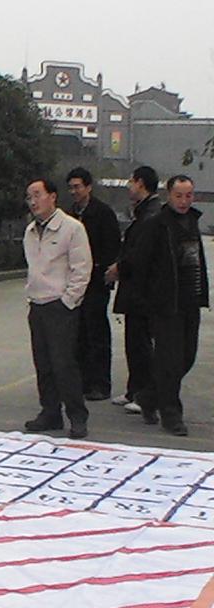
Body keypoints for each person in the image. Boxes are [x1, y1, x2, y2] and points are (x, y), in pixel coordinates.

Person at [129, 175, 208, 436]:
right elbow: (140, 263)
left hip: (190, 301)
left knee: (187, 357)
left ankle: (148, 396)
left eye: (188, 195)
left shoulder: (192, 221)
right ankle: (171, 414)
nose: (184, 201)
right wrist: (146, 301)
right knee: (170, 361)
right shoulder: (157, 224)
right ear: (169, 195)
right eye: (179, 195)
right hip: (165, 306)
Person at [22, 178, 92, 439]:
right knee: (43, 364)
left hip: (60, 306)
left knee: (64, 364)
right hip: (37, 303)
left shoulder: (72, 228)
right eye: (29, 197)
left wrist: (69, 300)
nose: (33, 201)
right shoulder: (30, 230)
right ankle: (50, 412)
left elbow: (81, 268)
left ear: (52, 196)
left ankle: (77, 415)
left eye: (37, 195)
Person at [105, 166, 162, 415]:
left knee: (141, 344)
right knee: (133, 342)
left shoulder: (151, 215)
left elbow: (141, 253)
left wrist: (119, 267)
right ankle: (134, 389)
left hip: (144, 291)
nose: (129, 186)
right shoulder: (143, 212)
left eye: (131, 182)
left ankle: (145, 393)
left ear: (140, 183)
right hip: (136, 290)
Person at [66, 167, 121, 401]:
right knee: (78, 333)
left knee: (96, 332)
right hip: (75, 282)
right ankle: (83, 380)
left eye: (78, 187)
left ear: (88, 187)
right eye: (71, 188)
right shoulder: (69, 214)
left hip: (96, 282)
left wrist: (105, 272)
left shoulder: (103, 213)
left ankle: (101, 383)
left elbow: (112, 246)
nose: (74, 191)